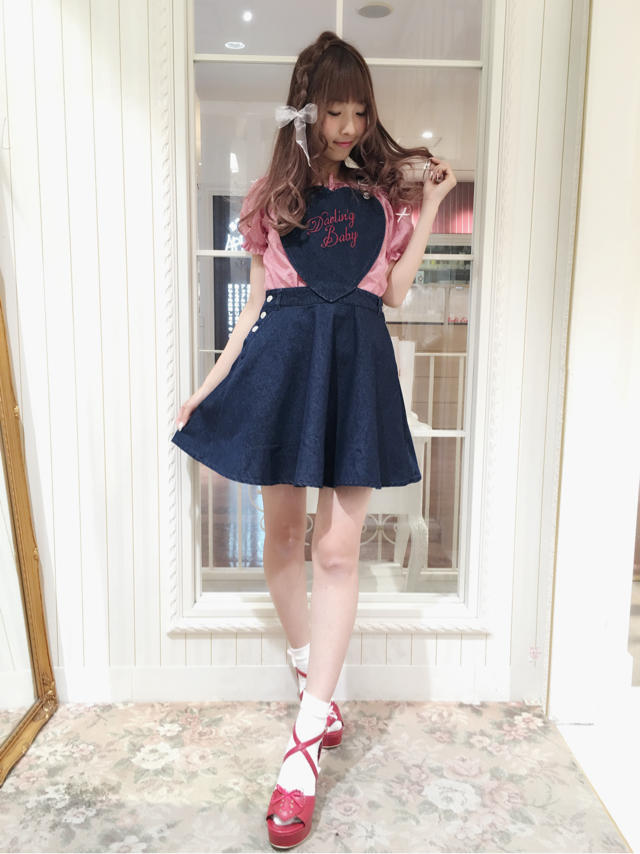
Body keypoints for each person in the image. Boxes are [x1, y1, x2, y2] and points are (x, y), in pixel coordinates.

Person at [171, 29, 456, 850]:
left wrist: (433, 207)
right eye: (335, 111)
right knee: (285, 537)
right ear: (306, 110)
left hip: (357, 376)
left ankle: (304, 749)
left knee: (337, 552)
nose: (349, 127)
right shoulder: (274, 198)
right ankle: (311, 675)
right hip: (284, 372)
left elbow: (394, 294)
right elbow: (253, 311)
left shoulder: (381, 204)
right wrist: (208, 387)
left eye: (360, 112)